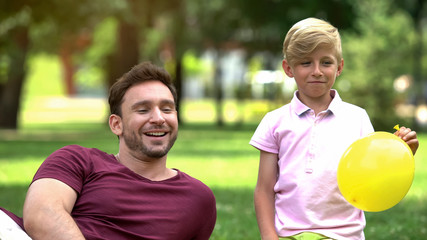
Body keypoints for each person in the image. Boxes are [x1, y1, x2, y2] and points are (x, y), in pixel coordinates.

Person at [0, 61, 217, 240]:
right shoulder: (77, 160)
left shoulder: (198, 198)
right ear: (116, 124)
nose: (159, 118)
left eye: (167, 109)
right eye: (143, 110)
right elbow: (41, 214)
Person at [250, 17, 419, 240]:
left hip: (345, 235)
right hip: (289, 234)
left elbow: (372, 172)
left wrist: (402, 152)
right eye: (305, 63)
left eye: (326, 63)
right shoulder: (274, 121)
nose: (317, 71)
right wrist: (269, 236)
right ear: (288, 68)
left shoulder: (357, 118)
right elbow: (264, 189)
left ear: (339, 67)